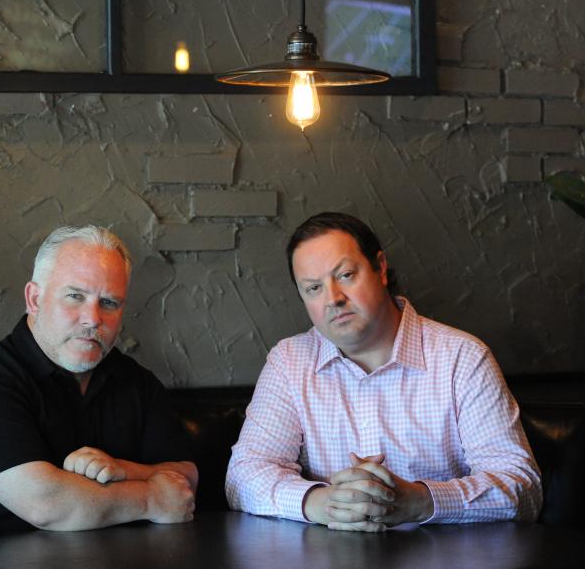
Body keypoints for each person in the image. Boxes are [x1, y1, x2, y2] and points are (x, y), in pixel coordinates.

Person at [225, 212, 542, 531]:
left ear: (380, 267)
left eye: (346, 274)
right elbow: (243, 476)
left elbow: (522, 487)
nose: (333, 298)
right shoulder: (289, 362)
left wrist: (419, 501)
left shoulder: (463, 357)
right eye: (313, 288)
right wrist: (323, 503)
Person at [0, 225, 197, 550]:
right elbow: (47, 505)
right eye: (75, 296)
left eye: (108, 302)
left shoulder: (135, 382)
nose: (92, 318)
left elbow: (184, 477)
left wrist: (121, 470)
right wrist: (152, 498)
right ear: (34, 299)